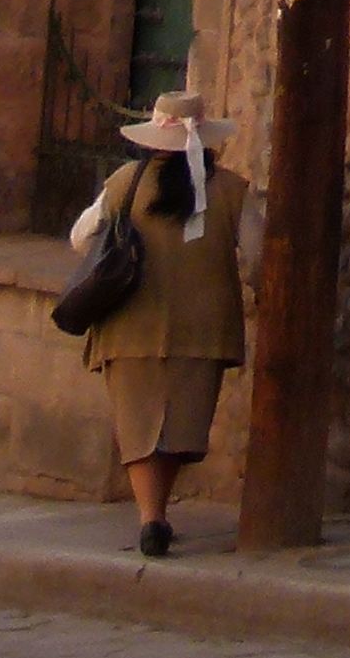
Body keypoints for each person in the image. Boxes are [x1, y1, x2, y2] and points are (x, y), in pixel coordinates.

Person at [72, 91, 251, 556]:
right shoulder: (232, 190)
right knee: (180, 428)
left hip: (129, 323)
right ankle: (158, 513)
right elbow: (257, 254)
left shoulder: (123, 184)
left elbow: (80, 237)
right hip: (203, 328)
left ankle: (151, 516)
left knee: (139, 429)